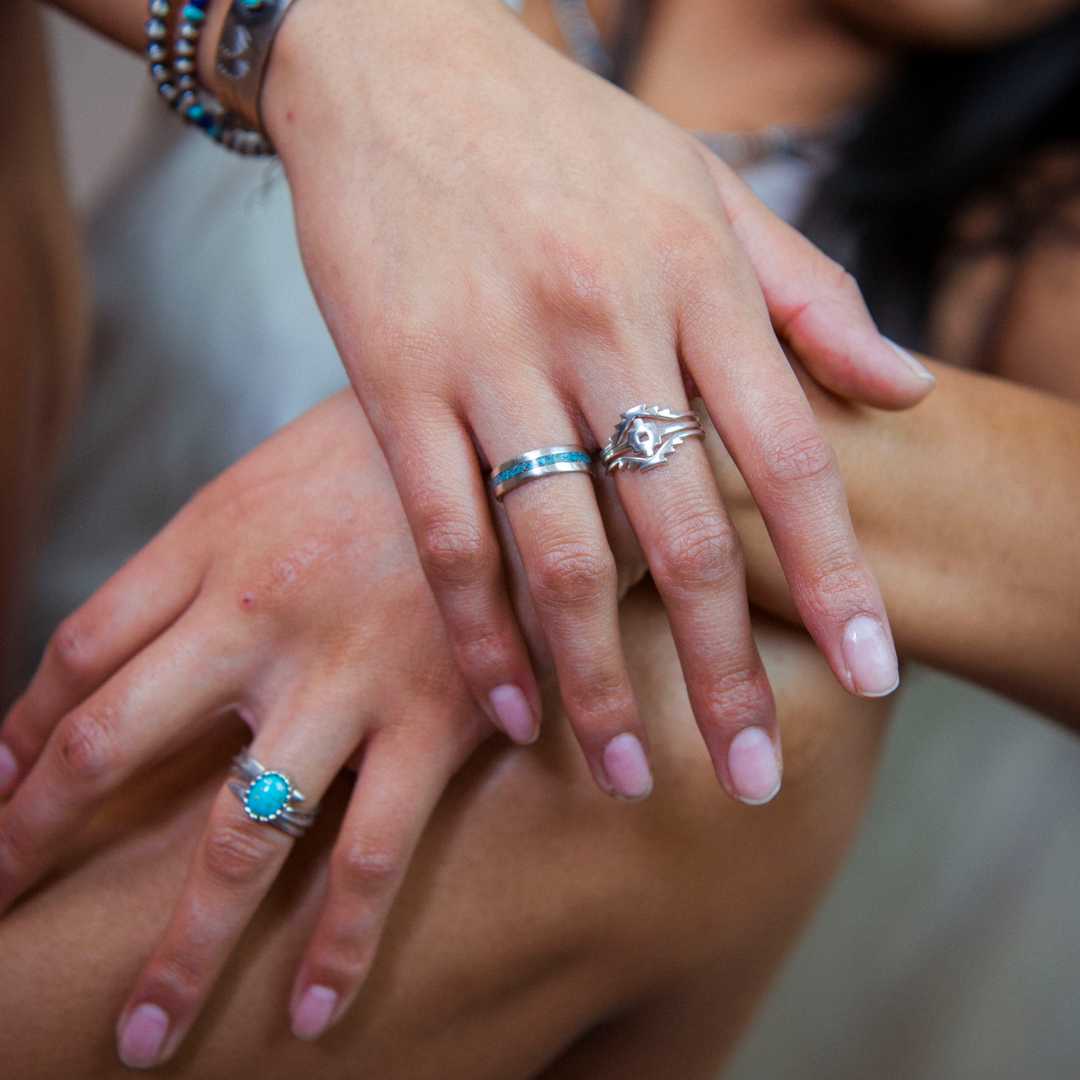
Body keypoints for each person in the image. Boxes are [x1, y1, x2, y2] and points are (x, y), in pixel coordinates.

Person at [3, 0, 1080, 1072]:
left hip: (281, 880)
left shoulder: (1030, 224)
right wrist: (359, 46)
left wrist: (595, 442)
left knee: (734, 718)